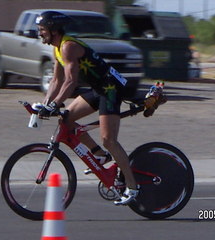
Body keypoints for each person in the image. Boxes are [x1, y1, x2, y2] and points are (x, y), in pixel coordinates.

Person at [35, 11, 138, 205]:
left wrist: (56, 104)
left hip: (111, 89)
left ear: (53, 30)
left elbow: (71, 81)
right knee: (67, 119)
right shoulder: (57, 48)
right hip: (98, 89)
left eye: (42, 30)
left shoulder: (68, 47)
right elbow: (56, 80)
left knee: (109, 140)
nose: (39, 33)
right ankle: (99, 156)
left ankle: (133, 187)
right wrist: (46, 104)